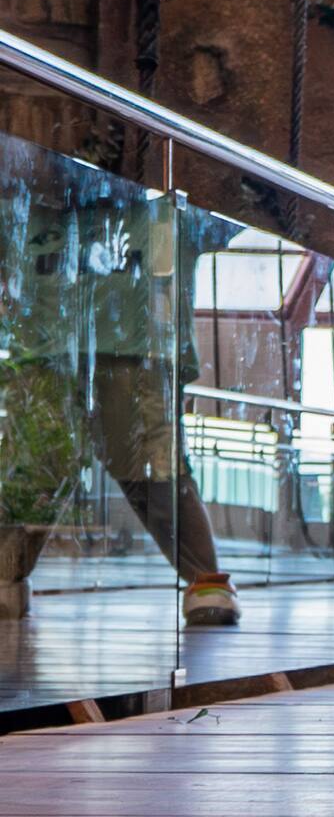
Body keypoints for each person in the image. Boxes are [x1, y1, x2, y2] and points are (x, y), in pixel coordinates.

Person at [0, 157, 240, 627]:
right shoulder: (24, 211)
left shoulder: (165, 214)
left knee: (152, 468)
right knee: (33, 472)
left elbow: (235, 204)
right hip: (48, 354)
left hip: (128, 354)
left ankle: (205, 579)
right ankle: (7, 575)